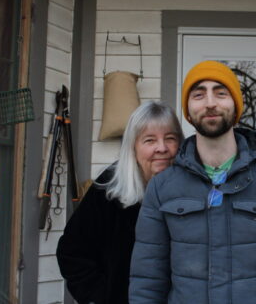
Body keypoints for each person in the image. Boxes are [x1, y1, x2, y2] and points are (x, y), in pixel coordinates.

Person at [129, 60, 256, 304]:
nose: (210, 102)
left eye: (221, 93)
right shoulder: (163, 187)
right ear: (188, 110)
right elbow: (147, 282)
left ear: (236, 106)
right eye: (199, 95)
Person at [56, 101, 184, 304]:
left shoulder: (189, 192)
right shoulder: (108, 189)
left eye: (170, 138)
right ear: (133, 147)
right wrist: (102, 298)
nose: (162, 148)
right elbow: (72, 252)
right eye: (149, 140)